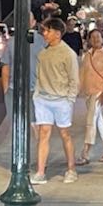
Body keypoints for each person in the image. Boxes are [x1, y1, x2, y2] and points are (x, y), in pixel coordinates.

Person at [32, 18, 80, 185]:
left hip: (61, 100)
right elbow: (39, 76)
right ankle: (40, 171)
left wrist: (70, 100)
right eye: (44, 31)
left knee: (65, 134)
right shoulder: (43, 53)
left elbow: (74, 79)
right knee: (44, 134)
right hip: (43, 99)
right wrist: (37, 94)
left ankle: (71, 169)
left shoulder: (68, 54)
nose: (45, 34)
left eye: (48, 31)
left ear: (58, 34)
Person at [0, 11, 43, 141]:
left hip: (35, 91)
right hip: (15, 90)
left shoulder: (41, 41)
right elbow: (6, 66)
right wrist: (6, 89)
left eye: (28, 20)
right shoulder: (12, 42)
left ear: (33, 23)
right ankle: (22, 157)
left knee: (36, 125)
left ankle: (40, 157)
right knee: (17, 125)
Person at [77, 28, 103, 165]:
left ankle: (86, 152)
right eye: (92, 37)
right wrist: (77, 90)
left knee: (90, 121)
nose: (95, 40)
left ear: (102, 38)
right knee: (99, 121)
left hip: (99, 92)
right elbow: (82, 74)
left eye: (98, 37)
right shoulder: (87, 55)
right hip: (88, 92)